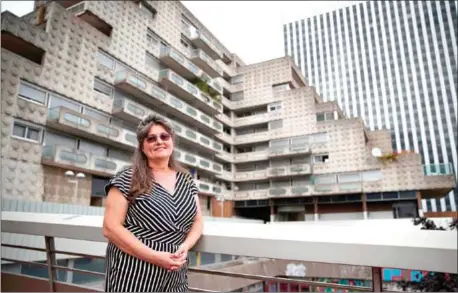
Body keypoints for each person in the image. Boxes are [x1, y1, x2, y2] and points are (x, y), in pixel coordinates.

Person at [102, 114, 203, 292]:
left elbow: (198, 221)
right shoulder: (127, 177)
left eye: (164, 136)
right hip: (132, 274)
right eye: (151, 138)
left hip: (175, 274)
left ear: (172, 141)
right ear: (142, 146)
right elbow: (110, 227)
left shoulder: (187, 179)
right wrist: (155, 256)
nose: (159, 141)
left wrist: (185, 246)